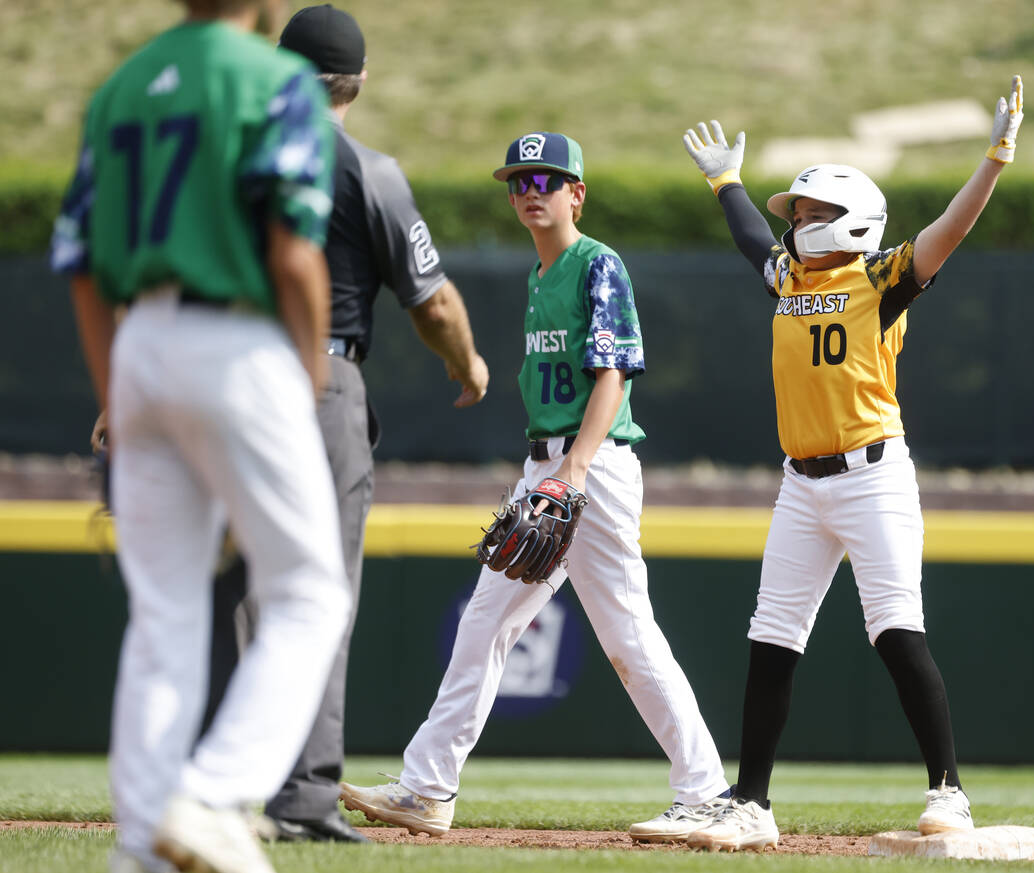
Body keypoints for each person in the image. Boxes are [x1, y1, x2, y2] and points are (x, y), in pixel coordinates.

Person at [338, 131, 732, 844]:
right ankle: (427, 787)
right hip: (548, 468)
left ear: (577, 192)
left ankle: (705, 790)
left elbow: (614, 374)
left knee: (628, 636)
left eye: (545, 180)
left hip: (592, 467)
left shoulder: (596, 265)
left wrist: (573, 470)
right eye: (517, 182)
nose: (528, 192)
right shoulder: (538, 276)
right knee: (486, 624)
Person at [676, 76, 1024, 852]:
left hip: (872, 476)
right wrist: (725, 181)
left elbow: (950, 231)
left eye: (809, 212)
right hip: (801, 482)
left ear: (850, 221)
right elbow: (746, 239)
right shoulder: (791, 278)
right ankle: (752, 800)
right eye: (796, 214)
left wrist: (995, 158)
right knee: (772, 636)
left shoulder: (879, 280)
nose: (796, 223)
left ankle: (949, 790)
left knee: (897, 628)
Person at [51, 1, 352, 872]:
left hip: (140, 338)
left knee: (163, 616)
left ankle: (142, 845)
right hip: (238, 342)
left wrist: (121, 393)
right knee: (308, 591)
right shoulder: (274, 78)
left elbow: (77, 268)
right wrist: (307, 378)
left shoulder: (121, 86)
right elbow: (295, 254)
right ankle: (216, 791)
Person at [190, 3, 490, 846]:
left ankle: (211, 787)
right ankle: (304, 795)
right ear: (357, 82)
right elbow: (431, 302)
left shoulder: (227, 159)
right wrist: (465, 364)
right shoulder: (368, 169)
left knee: (227, 591)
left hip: (215, 371)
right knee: (319, 596)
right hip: (318, 377)